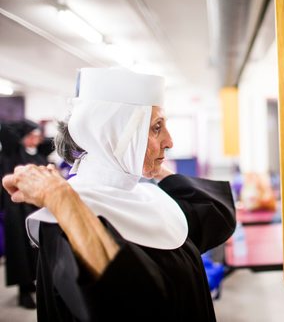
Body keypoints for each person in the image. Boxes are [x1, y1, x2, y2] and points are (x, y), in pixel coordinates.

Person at [2, 68, 236, 321]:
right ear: (113, 134)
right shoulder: (66, 218)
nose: (170, 142)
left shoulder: (146, 197)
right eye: (157, 127)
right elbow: (123, 297)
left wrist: (149, 165)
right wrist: (58, 195)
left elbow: (216, 216)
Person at [0, 118, 53, 309]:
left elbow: (54, 141)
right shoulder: (12, 154)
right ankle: (23, 291)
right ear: (22, 138)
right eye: (30, 136)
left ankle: (32, 282)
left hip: (37, 206)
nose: (35, 140)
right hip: (17, 210)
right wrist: (32, 124)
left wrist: (42, 128)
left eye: (36, 136)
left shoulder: (39, 154)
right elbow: (6, 128)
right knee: (20, 250)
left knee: (36, 249)